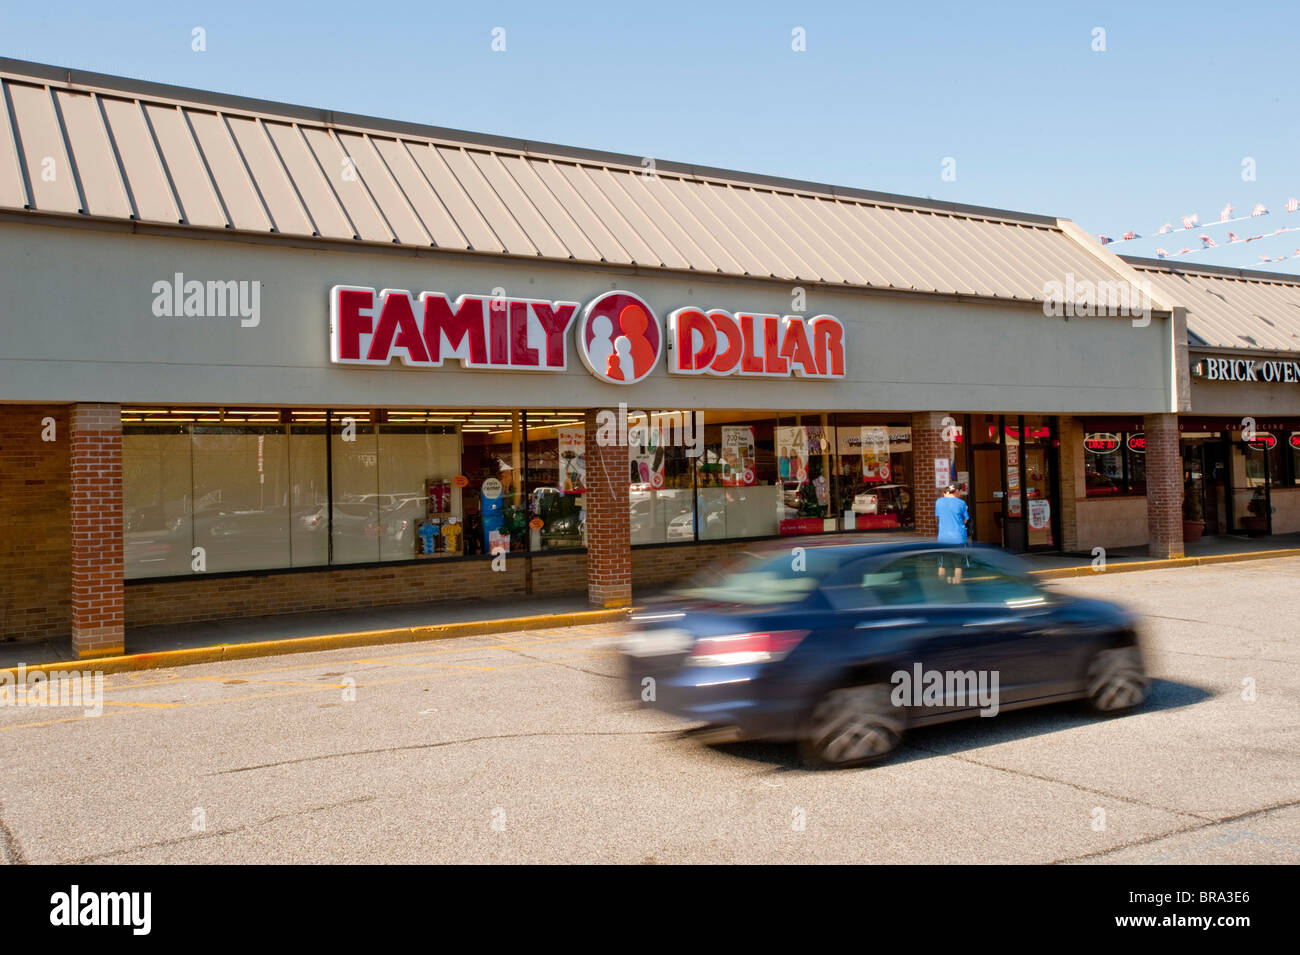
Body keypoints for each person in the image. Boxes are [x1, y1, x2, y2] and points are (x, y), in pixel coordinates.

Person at [934, 484, 969, 582]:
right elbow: (965, 520)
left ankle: (941, 585)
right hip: (959, 538)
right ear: (957, 491)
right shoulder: (961, 503)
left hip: (943, 538)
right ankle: (957, 583)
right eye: (961, 491)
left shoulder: (939, 502)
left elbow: (938, 518)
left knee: (942, 565)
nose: (961, 494)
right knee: (958, 565)